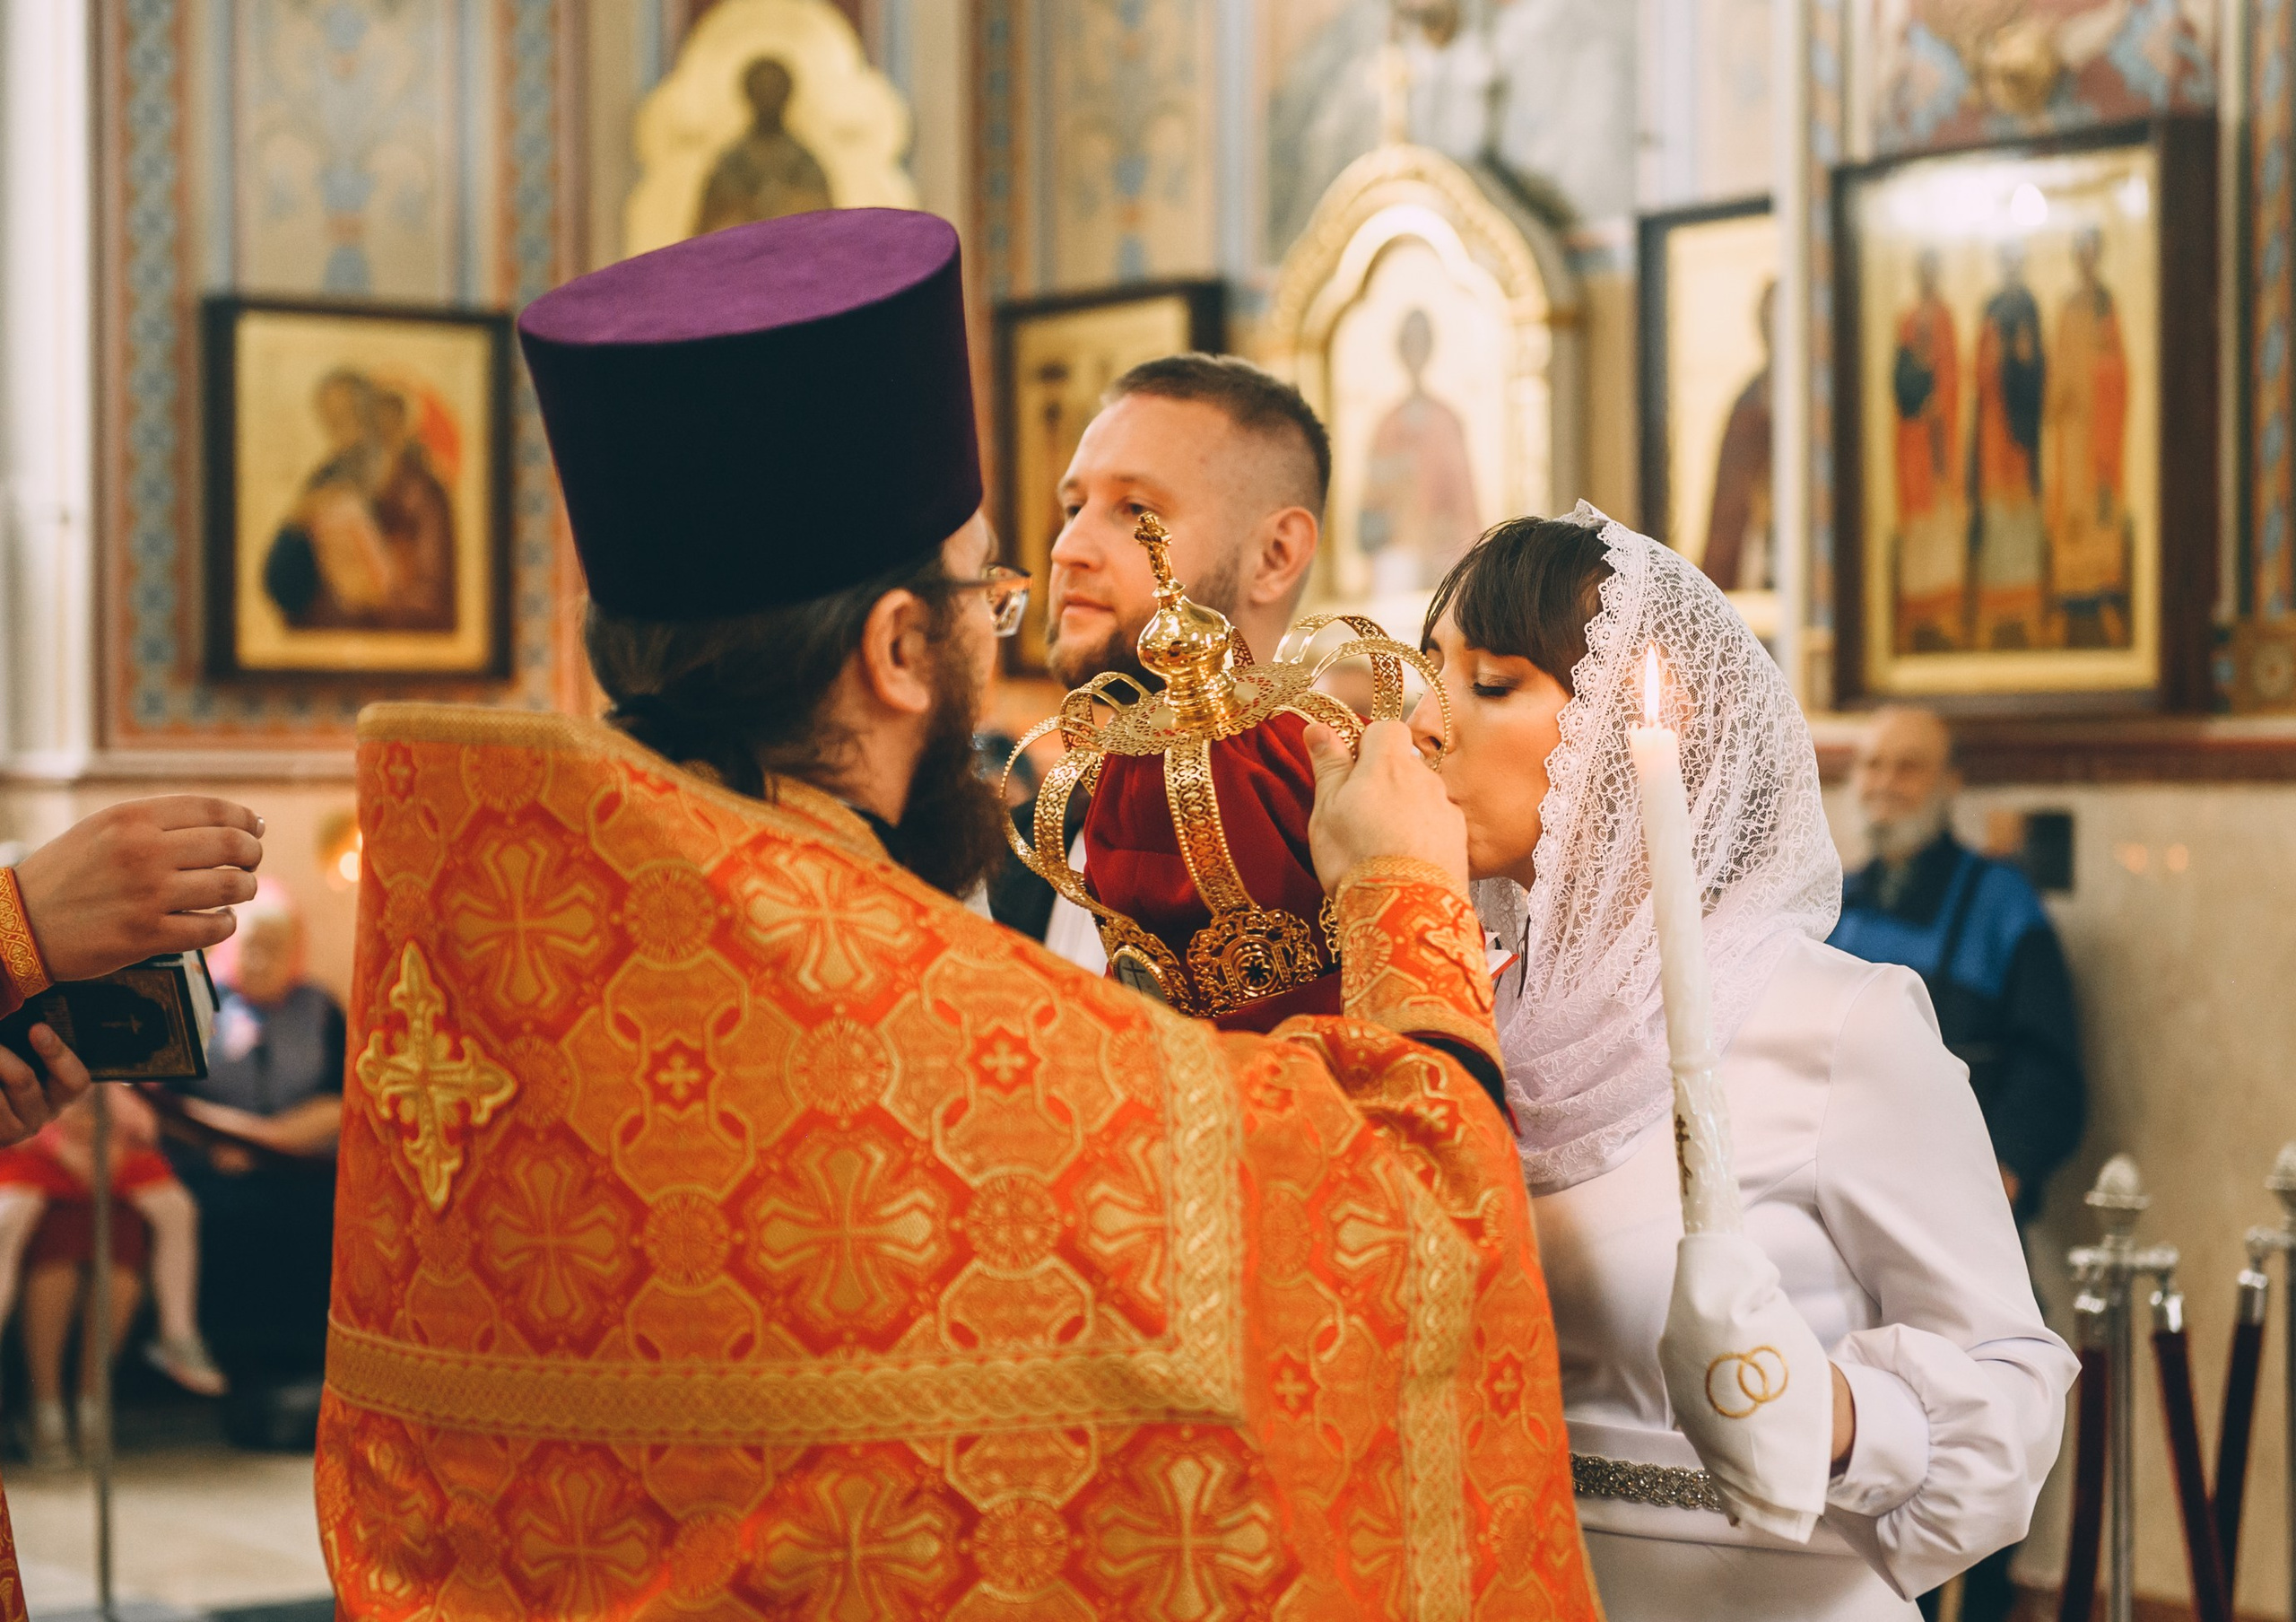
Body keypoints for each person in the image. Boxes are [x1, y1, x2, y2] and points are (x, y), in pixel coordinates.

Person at [314, 208, 1598, 1619]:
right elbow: (1407, 1232)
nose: (1033, 599)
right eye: (988, 590)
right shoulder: (923, 1026)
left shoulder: (490, 980)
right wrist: (1404, 895)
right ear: (900, 652)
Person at [1406, 504, 2074, 1619]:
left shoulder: (1836, 1021)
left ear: (1629, 739)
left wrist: (1825, 1406)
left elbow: (2013, 1397)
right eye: (1430, 674)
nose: (1426, 726)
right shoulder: (1454, 1014)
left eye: (1490, 681)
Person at [0, 793, 265, 1621]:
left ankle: (153, 1349)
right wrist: (16, 925)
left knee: (147, 1221)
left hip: (93, 1141)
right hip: (56, 1161)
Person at [987, 352, 1326, 969]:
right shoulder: (1016, 857)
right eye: (1072, 508)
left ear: (1276, 555)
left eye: (1137, 510)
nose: (1066, 549)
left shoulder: (1343, 852)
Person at [163, 879, 344, 1429]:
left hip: (301, 1167)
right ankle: (229, 1376)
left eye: (276, 945)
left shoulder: (320, 1008)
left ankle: (300, 1376)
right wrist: (229, 1142)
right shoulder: (200, 1005)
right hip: (213, 1167)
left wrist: (263, 1143)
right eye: (253, 943)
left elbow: (338, 1101)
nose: (263, 957)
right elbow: (168, 1103)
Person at [0, 1086, 224, 1466]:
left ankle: (178, 1332)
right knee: (9, 1219)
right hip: (34, 1142)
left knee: (177, 1209)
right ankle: (48, 1411)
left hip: (112, 1151)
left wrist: (123, 1135)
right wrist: (56, 1144)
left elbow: (142, 1110)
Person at [693, 56, 834, 235]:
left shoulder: (804, 162)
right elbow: (707, 229)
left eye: (775, 89)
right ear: (749, 94)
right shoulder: (732, 163)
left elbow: (824, 224)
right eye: (761, 90)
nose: (768, 97)